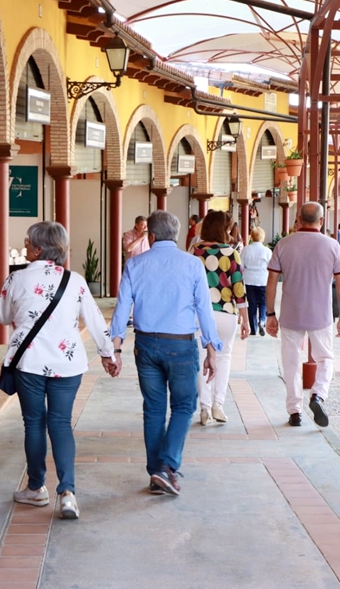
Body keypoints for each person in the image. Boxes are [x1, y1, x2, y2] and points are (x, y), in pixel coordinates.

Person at [0, 222, 120, 520]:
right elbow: (94, 319)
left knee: (34, 423)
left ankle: (36, 488)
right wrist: (108, 354)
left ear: (38, 249)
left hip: (30, 362)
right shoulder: (75, 280)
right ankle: (67, 493)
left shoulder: (16, 279)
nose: (25, 246)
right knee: (61, 424)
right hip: (68, 363)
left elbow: (2, 317)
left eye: (28, 242)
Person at [110, 210, 221, 496]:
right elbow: (204, 309)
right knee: (184, 406)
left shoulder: (134, 264)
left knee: (154, 409)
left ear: (152, 235)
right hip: (181, 346)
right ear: (175, 234)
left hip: (146, 345)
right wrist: (211, 348)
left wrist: (116, 348)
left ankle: (156, 472)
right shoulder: (193, 265)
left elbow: (122, 307)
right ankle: (167, 466)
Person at [266, 202, 340, 427]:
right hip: (321, 315)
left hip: (291, 314)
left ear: (298, 219)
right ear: (321, 221)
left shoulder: (283, 245)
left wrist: (270, 313)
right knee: (325, 358)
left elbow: (272, 280)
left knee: (291, 362)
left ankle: (294, 412)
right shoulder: (332, 246)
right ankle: (318, 395)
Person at [191, 211, 250, 425]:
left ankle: (204, 407)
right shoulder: (231, 253)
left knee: (200, 357)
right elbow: (239, 288)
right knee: (224, 357)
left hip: (199, 314)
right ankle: (218, 404)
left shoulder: (194, 252)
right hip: (226, 313)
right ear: (223, 229)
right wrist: (246, 319)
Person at [241, 226, 273, 336]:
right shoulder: (267, 251)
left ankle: (253, 329)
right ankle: (262, 321)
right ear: (262, 237)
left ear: (252, 236)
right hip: (263, 279)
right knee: (263, 302)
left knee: (252, 304)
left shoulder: (246, 249)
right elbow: (271, 266)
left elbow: (241, 265)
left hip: (249, 279)